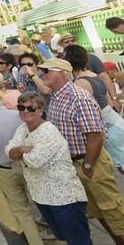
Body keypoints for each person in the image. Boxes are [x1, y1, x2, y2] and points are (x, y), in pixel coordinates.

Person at [40, 58, 124, 244]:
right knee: (99, 211)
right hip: (78, 163)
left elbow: (95, 136)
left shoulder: (78, 97)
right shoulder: (56, 96)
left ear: (61, 73)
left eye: (47, 71)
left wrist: (87, 164)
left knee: (113, 210)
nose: (42, 74)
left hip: (90, 162)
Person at [6, 92, 91, 245]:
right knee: (62, 239)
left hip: (64, 198)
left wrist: (18, 152)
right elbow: (8, 151)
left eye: (30, 108)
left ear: (40, 111)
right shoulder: (22, 128)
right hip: (42, 197)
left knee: (79, 241)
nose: (25, 111)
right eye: (21, 107)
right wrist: (20, 150)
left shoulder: (48, 131)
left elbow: (35, 161)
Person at [0, 87, 44, 245]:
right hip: (28, 165)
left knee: (22, 212)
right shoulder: (19, 115)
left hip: (5, 170)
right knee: (44, 203)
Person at [65, 45, 124, 174]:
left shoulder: (80, 83)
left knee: (121, 164)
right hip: (115, 121)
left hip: (106, 125)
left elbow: (91, 110)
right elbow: (107, 99)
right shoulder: (94, 75)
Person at [59, 32, 118, 106]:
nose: (70, 43)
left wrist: (115, 98)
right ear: (61, 45)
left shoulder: (91, 58)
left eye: (72, 40)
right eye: (66, 42)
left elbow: (105, 78)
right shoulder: (60, 63)